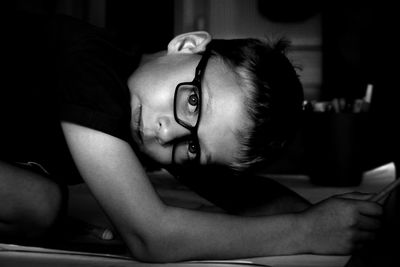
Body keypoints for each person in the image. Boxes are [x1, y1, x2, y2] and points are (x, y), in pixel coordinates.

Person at [0, 13, 383, 262]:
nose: (167, 134)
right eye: (194, 101)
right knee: (41, 202)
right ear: (185, 45)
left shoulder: (160, 111)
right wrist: (307, 230)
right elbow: (150, 236)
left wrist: (353, 220)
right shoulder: (91, 67)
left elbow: (249, 196)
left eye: (193, 147)